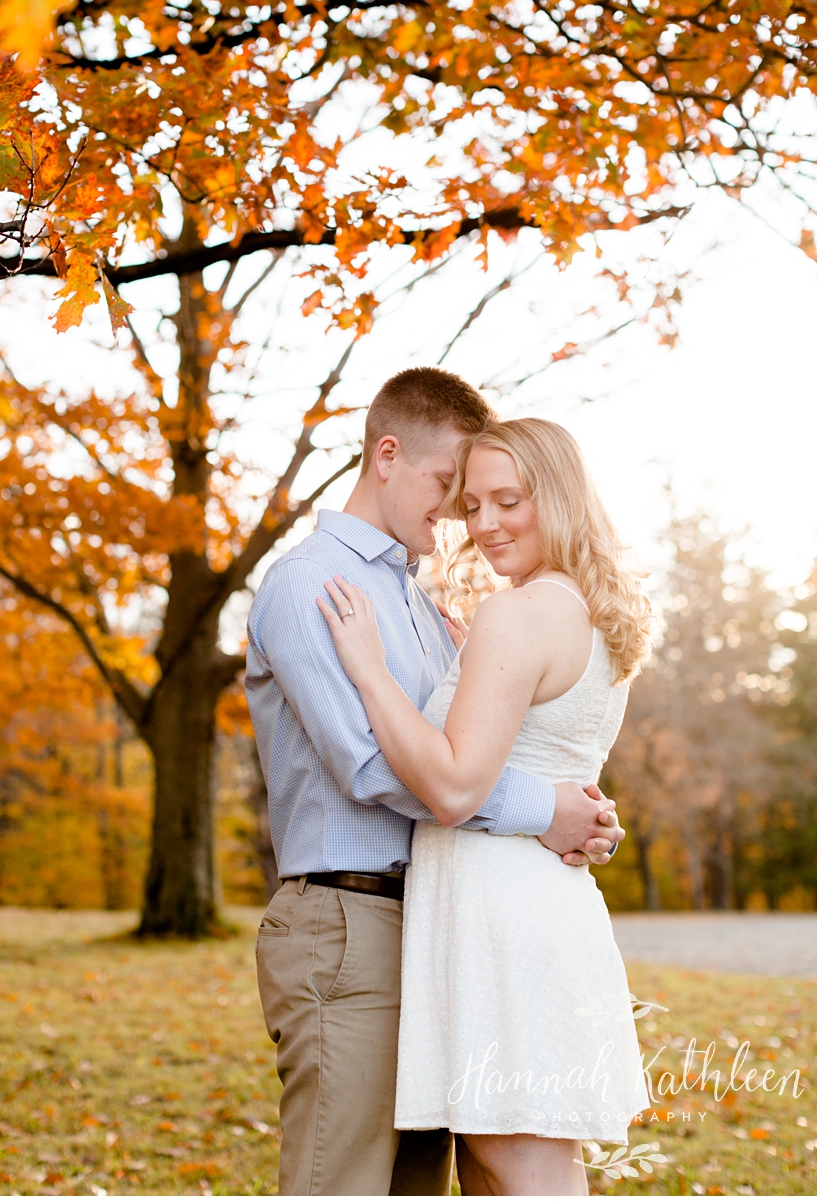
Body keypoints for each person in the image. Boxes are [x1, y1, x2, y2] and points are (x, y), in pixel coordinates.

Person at [244, 367, 624, 1196]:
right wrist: (545, 811)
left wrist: (569, 802)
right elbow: (376, 765)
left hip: (436, 921)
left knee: (422, 1182)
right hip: (347, 920)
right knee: (339, 1180)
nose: (462, 513)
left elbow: (479, 744)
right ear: (389, 453)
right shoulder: (314, 584)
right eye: (452, 485)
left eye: (487, 497)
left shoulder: (417, 602)